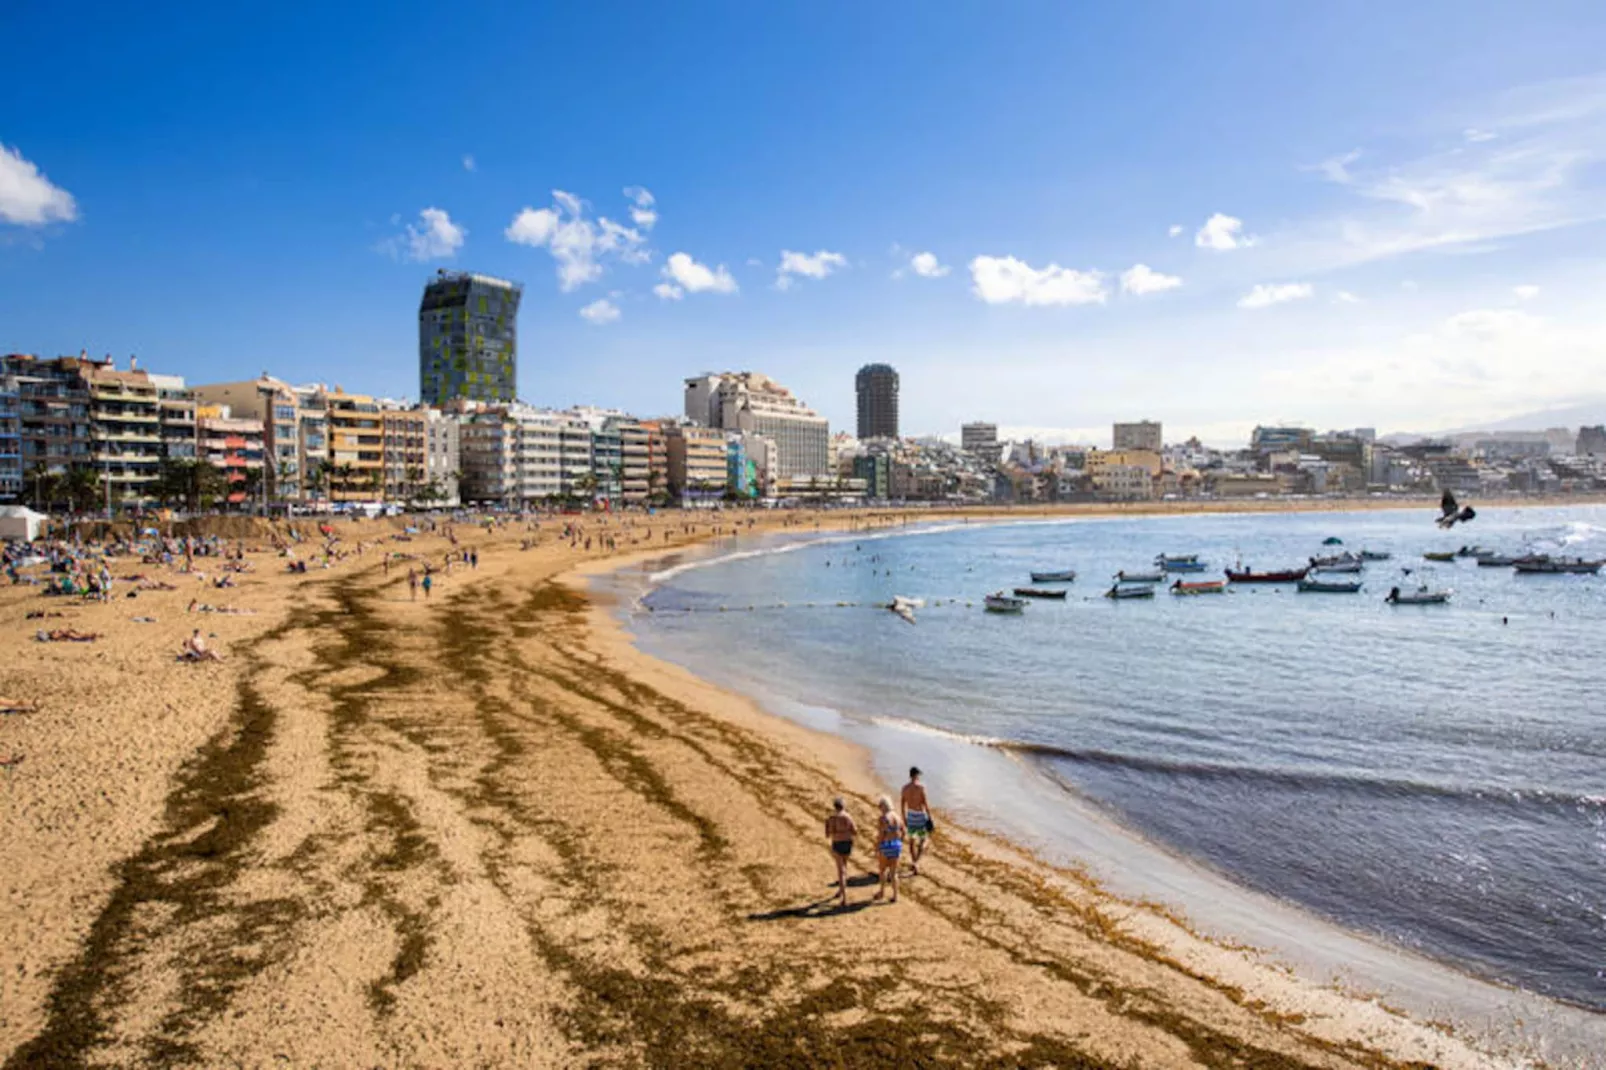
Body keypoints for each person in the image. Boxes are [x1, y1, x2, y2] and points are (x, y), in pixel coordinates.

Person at [901, 767, 934, 876]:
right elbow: (925, 804)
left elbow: (902, 804)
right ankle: (916, 862)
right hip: (920, 815)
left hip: (910, 814)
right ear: (916, 775)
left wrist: (904, 817)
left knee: (912, 840)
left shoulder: (905, 788)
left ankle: (914, 861)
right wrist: (930, 817)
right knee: (923, 840)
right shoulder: (920, 788)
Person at [824, 797, 857, 906]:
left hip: (837, 843)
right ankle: (841, 890)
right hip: (847, 843)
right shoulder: (848, 817)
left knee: (841, 871)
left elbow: (828, 834)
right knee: (844, 867)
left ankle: (844, 897)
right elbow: (855, 831)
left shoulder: (832, 818)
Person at [872, 796, 905, 904]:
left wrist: (876, 847)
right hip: (896, 845)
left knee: (882, 870)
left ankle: (882, 892)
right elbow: (903, 831)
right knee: (894, 872)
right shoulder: (897, 817)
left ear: (883, 806)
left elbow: (881, 835)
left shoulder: (883, 818)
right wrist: (900, 842)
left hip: (886, 845)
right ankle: (895, 895)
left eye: (880, 807)